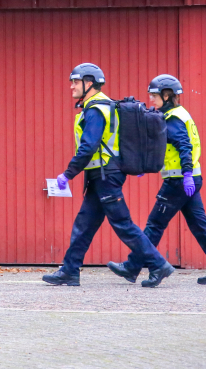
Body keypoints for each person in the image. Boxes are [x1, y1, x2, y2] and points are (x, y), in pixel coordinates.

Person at [42, 63, 175, 288]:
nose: (71, 86)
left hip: (106, 176)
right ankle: (70, 271)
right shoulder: (101, 106)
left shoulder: (95, 109)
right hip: (99, 176)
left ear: (89, 83)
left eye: (75, 82)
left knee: (123, 224)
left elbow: (89, 145)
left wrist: (68, 173)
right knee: (84, 225)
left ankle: (158, 264)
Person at [107, 74, 206, 285]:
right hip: (186, 179)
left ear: (167, 95)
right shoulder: (179, 114)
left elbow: (184, 146)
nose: (151, 99)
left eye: (154, 95)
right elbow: (164, 148)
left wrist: (187, 174)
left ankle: (141, 267)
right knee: (201, 226)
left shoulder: (173, 118)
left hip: (179, 181)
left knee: (155, 224)